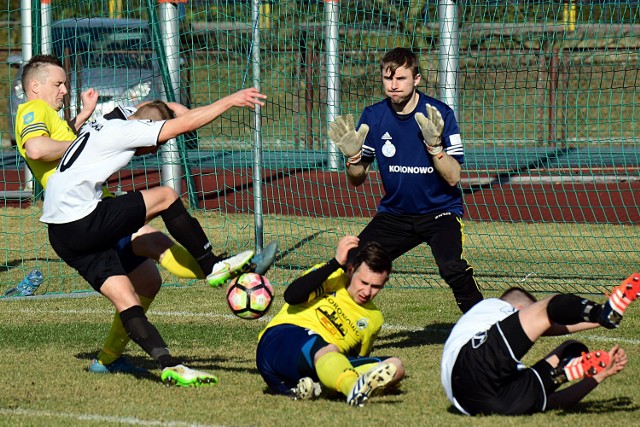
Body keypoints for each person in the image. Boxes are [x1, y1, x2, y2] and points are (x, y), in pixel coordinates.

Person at [15, 54, 276, 375]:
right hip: (84, 211)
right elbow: (37, 149)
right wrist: (231, 100)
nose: (65, 90)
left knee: (146, 281)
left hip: (71, 220)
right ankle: (221, 269)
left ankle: (125, 361)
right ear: (35, 86)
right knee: (164, 202)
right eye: (58, 83)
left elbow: (159, 109)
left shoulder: (107, 118)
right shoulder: (33, 109)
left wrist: (83, 117)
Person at [328, 47, 482, 313]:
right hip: (395, 214)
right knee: (354, 261)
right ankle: (345, 327)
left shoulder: (440, 114)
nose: (393, 85)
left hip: (440, 213)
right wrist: (353, 158)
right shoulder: (374, 116)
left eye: (401, 79)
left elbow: (454, 177)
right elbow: (357, 180)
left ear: (417, 79)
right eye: (388, 79)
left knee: (452, 268)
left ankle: (488, 325)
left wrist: (435, 148)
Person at [440, 272, 639, 415]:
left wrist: (601, 375)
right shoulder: (494, 306)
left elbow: (552, 402)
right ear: (519, 309)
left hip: (478, 403)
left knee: (574, 349)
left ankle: (561, 374)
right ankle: (602, 312)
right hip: (472, 366)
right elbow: (548, 315)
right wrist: (600, 315)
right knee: (550, 304)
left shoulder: (480, 327)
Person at [256, 235, 405, 406]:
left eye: (376, 286)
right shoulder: (331, 276)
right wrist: (334, 263)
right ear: (350, 270)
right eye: (363, 282)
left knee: (395, 366)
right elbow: (292, 296)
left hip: (310, 372)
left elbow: (355, 358)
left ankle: (319, 388)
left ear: (384, 283)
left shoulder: (374, 319)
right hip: (278, 343)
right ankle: (351, 388)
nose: (367, 291)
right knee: (328, 348)